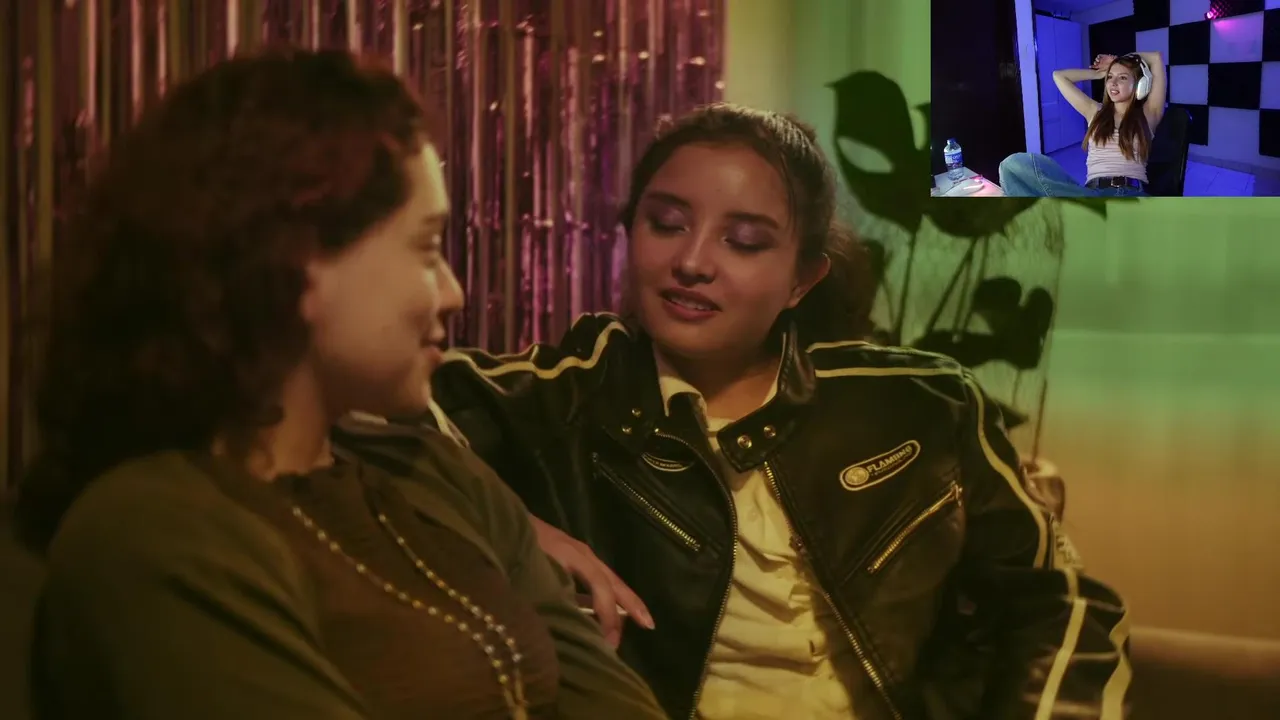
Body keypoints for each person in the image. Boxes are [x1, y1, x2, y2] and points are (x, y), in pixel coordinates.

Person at [12, 47, 665, 720]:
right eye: (427, 248)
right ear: (294, 260)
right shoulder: (157, 529)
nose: (453, 292)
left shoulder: (436, 472)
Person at [426, 104, 1132, 719]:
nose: (692, 261)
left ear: (802, 279)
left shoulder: (922, 403)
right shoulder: (568, 396)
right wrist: (520, 528)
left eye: (744, 241)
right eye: (665, 223)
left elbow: (1062, 604)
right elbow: (377, 415)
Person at [1000, 52, 1165, 197]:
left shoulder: (1149, 114)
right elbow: (1059, 76)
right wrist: (1099, 74)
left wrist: (1119, 59)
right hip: (1091, 194)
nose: (1113, 83)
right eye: (1110, 77)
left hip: (1131, 194)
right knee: (1013, 164)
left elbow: (1156, 58)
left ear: (1140, 84)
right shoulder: (1094, 111)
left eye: (1122, 77)